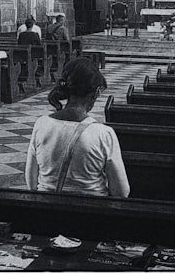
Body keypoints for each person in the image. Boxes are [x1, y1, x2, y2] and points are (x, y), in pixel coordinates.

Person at [25, 58, 130, 198]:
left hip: (47, 213)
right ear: (97, 92)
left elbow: (31, 183)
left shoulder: (41, 124)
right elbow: (121, 192)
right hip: (89, 214)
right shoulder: (103, 133)